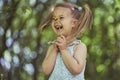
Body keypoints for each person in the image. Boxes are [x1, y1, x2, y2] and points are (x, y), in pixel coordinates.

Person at [40, 2, 93, 80]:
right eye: (54, 18)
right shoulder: (52, 47)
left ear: (74, 23)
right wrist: (54, 50)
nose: (56, 21)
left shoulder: (79, 46)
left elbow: (76, 69)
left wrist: (64, 50)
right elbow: (46, 70)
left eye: (61, 17)